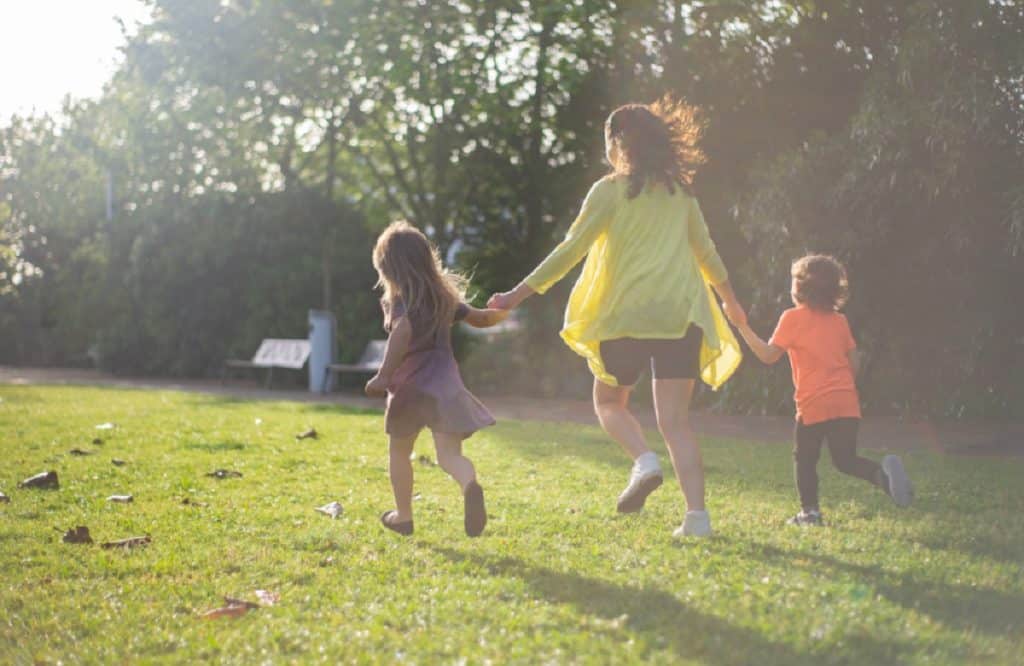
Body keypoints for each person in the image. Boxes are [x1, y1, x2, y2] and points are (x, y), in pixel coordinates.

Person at [488, 99, 746, 538]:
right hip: (678, 314)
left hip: (625, 313)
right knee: (676, 421)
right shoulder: (681, 193)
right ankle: (697, 519)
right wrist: (730, 302)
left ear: (616, 143)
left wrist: (516, 294)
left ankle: (644, 462)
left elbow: (569, 251)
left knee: (609, 403)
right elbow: (707, 253)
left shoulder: (608, 190)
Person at [736, 254, 913, 526]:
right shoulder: (839, 321)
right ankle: (884, 478)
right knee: (845, 460)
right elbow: (855, 360)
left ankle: (810, 513)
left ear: (800, 287)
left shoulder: (792, 318)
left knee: (804, 459)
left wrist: (742, 327)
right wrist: (842, 388)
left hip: (813, 403)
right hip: (845, 402)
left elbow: (769, 356)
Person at [366, 221, 508, 537]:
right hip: (446, 388)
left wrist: (383, 375)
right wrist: (503, 310)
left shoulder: (399, 301)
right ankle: (470, 485)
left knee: (399, 452)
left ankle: (403, 516)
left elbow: (402, 333)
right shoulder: (445, 300)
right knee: (450, 456)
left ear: (387, 268)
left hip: (409, 389)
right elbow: (482, 319)